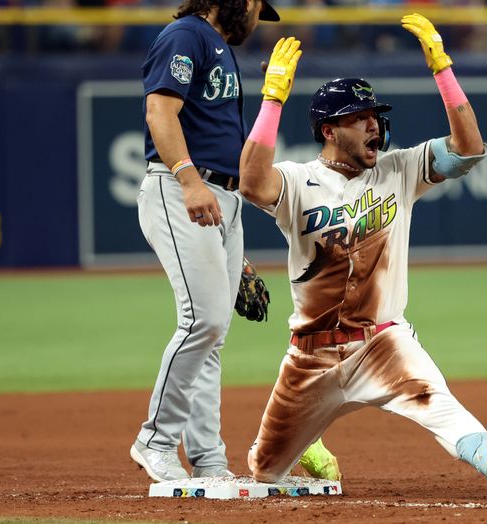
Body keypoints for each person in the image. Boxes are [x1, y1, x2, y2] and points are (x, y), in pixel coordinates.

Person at [238, 14, 487, 502]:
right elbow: (251, 183)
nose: (375, 123)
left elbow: (470, 150)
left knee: (437, 403)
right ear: (330, 130)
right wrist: (272, 100)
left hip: (382, 342)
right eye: (360, 117)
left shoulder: (400, 170)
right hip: (310, 356)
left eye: (376, 115)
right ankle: (309, 448)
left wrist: (443, 68)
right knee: (264, 472)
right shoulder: (296, 181)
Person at [130, 0, 339, 483]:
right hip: (182, 188)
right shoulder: (187, 35)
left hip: (220, 198)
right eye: (253, 5)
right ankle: (155, 441)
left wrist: (232, 247)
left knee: (214, 332)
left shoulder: (218, 47)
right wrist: (187, 179)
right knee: (201, 320)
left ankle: (207, 461)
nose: (255, 15)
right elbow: (160, 110)